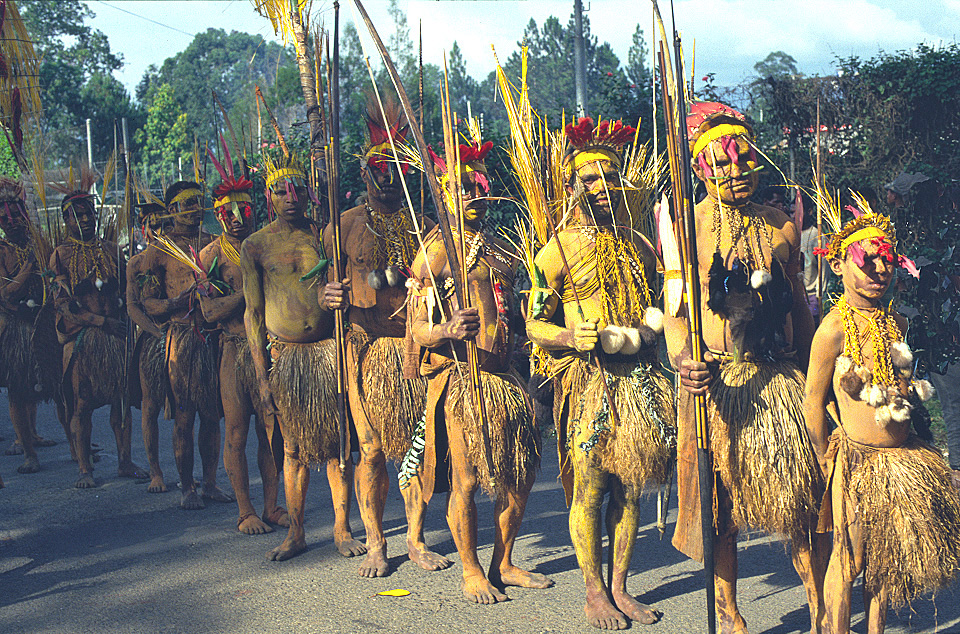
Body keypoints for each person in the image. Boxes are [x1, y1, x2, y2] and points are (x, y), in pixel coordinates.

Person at [665, 102, 827, 634]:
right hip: (714, 384)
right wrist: (683, 359)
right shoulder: (689, 230)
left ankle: (821, 603)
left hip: (777, 377)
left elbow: (801, 311)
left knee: (800, 498)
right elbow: (675, 311)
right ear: (698, 169)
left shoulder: (780, 225)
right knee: (720, 510)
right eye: (722, 164)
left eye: (744, 162)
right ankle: (729, 612)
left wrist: (816, 381)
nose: (736, 173)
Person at [526, 117, 674, 630]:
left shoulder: (637, 243)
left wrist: (656, 327)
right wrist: (570, 338)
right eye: (588, 178)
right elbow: (532, 323)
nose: (601, 186)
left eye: (609, 175)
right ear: (571, 186)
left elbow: (661, 300)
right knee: (590, 489)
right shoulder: (556, 251)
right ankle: (592, 591)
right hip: (590, 384)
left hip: (639, 382)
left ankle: (619, 587)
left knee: (630, 489)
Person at [407, 134, 552, 604]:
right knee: (466, 479)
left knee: (520, 474)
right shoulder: (436, 251)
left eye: (478, 186)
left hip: (505, 377)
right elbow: (417, 331)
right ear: (446, 193)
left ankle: (502, 562)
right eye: (464, 188)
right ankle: (471, 569)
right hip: (463, 381)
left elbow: (516, 312)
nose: (474, 195)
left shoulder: (497, 244)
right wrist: (447, 328)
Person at [803, 203, 960, 633]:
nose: (878, 271)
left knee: (887, 559)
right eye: (865, 262)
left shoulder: (898, 323)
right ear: (837, 265)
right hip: (855, 463)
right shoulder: (834, 328)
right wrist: (823, 458)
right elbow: (812, 402)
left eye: (886, 261)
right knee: (848, 557)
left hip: (900, 462)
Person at [321, 98, 443, 576]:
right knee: (370, 447)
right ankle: (375, 541)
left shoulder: (426, 228)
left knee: (415, 445)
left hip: (414, 348)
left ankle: (413, 538)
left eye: (397, 166)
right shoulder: (344, 225)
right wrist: (328, 294)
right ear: (365, 172)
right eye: (379, 166)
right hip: (364, 350)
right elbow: (322, 286)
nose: (388, 175)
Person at [241, 149, 362, 561]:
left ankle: (343, 529)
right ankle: (296, 531)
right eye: (281, 191)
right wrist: (262, 375)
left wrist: (336, 295)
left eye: (297, 190)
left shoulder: (325, 236)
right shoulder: (255, 246)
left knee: (337, 445)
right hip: (288, 358)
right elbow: (253, 313)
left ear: (310, 194)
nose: (290, 197)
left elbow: (346, 286)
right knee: (292, 448)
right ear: (269, 197)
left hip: (328, 353)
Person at [199, 152, 286, 534]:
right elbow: (209, 312)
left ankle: (271, 505)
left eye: (245, 210)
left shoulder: (266, 244)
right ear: (219, 215)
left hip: (269, 349)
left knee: (272, 430)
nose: (238, 217)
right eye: (230, 212)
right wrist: (250, 290)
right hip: (234, 350)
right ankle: (245, 511)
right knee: (236, 430)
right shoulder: (209, 256)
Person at [132, 181, 231, 508]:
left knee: (213, 415)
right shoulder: (157, 251)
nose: (194, 208)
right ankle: (187, 486)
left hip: (214, 336)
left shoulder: (214, 243)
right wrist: (180, 301)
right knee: (185, 415)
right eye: (187, 203)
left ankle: (211, 483)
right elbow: (149, 304)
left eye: (198, 202)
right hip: (182, 338)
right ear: (172, 209)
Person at [49, 185, 147, 487]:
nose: (85, 220)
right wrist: (98, 320)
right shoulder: (60, 255)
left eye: (88, 213)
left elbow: (125, 291)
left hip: (114, 339)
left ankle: (125, 460)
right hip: (82, 340)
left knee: (121, 402)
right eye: (76, 216)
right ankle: (84, 468)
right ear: (66, 221)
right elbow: (62, 304)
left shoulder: (111, 249)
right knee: (80, 405)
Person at [0, 177, 53, 473]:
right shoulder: (3, 251)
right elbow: (7, 293)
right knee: (19, 389)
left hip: (42, 323)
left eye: (15, 216)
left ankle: (69, 446)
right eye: (5, 220)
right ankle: (28, 451)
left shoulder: (40, 243)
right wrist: (31, 266)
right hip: (15, 327)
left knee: (50, 387)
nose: (12, 224)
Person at [126, 201, 174, 493]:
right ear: (143, 230)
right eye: (152, 226)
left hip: (181, 337)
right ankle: (155, 471)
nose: (159, 231)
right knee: (150, 406)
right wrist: (155, 332)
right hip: (152, 340)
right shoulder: (136, 263)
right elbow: (133, 307)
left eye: (164, 224)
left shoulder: (184, 257)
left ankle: (198, 477)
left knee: (188, 410)